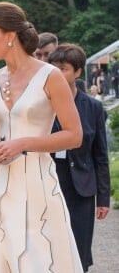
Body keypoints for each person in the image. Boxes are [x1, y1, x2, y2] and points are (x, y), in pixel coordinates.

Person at [0, 1, 84, 272]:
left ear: (10, 35)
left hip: (38, 185)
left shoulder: (50, 76)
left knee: (39, 261)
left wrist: (22, 144)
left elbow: (74, 135)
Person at [49, 43, 110, 272]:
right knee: (51, 246)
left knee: (80, 247)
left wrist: (103, 198)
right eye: (53, 68)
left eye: (63, 68)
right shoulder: (42, 105)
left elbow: (100, 155)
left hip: (81, 185)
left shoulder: (92, 107)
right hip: (49, 180)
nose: (57, 73)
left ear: (77, 71)